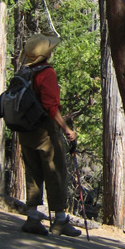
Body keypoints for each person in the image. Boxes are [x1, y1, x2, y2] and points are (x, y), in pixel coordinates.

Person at [18, 34, 81, 237]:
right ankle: (60, 220)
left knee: (33, 172)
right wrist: (67, 129)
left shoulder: (24, 72)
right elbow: (51, 107)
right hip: (44, 131)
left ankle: (33, 217)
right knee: (55, 171)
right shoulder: (47, 73)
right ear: (47, 54)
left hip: (25, 131)